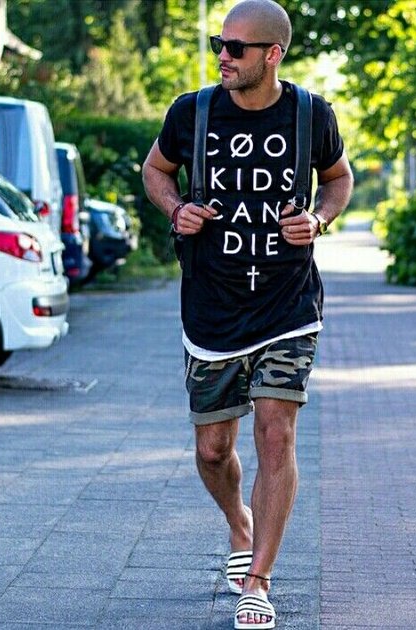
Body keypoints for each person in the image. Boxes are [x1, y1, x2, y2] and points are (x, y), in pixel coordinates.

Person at [142, 1, 353, 628]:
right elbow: (155, 170)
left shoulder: (311, 115)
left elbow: (338, 179)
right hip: (211, 305)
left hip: (289, 304)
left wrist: (318, 219)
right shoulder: (192, 112)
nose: (223, 57)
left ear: (273, 54)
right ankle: (240, 524)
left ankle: (258, 581)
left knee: (276, 432)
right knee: (213, 450)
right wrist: (176, 209)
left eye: (236, 48)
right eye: (219, 44)